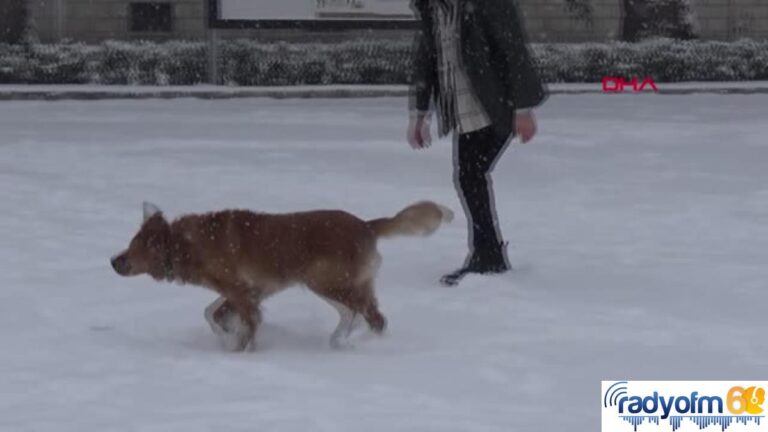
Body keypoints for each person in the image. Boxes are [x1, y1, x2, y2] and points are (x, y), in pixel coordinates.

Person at [407, 0, 548, 286]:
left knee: (471, 175)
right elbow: (426, 58)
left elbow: (513, 47)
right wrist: (419, 113)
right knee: (470, 176)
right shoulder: (432, 8)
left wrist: (522, 108)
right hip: (462, 107)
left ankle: (488, 255)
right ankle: (488, 254)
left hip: (495, 104)